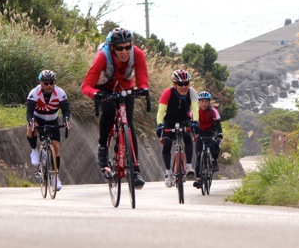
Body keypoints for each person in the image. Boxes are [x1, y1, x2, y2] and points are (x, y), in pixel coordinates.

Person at [81, 27, 149, 189]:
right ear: (112, 48)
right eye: (120, 48)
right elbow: (86, 86)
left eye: (127, 47)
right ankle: (103, 146)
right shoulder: (102, 57)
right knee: (110, 110)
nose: (124, 51)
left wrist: (143, 89)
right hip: (105, 90)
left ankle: (136, 170)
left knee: (129, 126)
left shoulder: (137, 54)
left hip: (125, 90)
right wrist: (96, 94)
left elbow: (142, 78)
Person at [26, 69, 71, 191]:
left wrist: (66, 119)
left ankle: (55, 177)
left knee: (56, 147)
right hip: (38, 118)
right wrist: (31, 121)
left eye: (51, 82)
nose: (49, 85)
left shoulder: (60, 92)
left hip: (52, 119)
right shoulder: (34, 93)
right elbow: (29, 112)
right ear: (41, 83)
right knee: (31, 128)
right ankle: (34, 150)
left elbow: (66, 110)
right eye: (46, 83)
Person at [155, 69, 199, 188]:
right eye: (180, 84)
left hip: (184, 119)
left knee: (187, 138)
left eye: (186, 84)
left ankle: (189, 166)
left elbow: (195, 109)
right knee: (167, 145)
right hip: (169, 120)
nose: (184, 86)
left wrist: (195, 122)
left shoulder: (192, 93)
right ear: (175, 85)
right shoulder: (167, 93)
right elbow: (160, 112)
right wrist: (159, 125)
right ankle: (168, 173)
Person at [192, 91, 223, 189]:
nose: (204, 103)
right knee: (198, 155)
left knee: (215, 145)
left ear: (209, 102)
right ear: (199, 102)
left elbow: (218, 125)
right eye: (202, 101)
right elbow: (191, 125)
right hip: (200, 132)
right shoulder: (195, 111)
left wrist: (219, 135)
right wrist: (194, 134)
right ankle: (198, 178)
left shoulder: (213, 111)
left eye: (206, 101)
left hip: (211, 132)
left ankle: (213, 160)